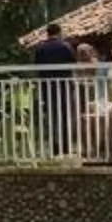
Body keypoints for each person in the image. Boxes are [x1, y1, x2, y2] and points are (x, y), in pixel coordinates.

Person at [29, 20, 77, 154]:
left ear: (47, 33)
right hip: (65, 86)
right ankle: (66, 147)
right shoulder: (65, 46)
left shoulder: (40, 48)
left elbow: (37, 68)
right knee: (65, 117)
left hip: (47, 87)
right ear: (59, 32)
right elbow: (73, 63)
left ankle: (55, 146)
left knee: (52, 117)